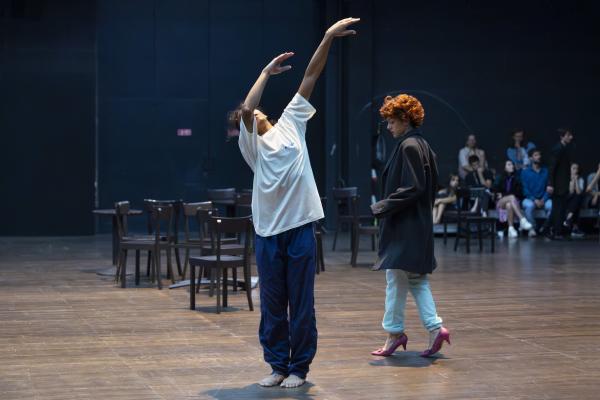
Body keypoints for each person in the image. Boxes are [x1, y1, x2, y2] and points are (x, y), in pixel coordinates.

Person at [233, 17, 360, 388]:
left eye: (259, 112)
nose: (254, 114)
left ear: (269, 116)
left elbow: (310, 76)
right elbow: (246, 108)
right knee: (273, 304)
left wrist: (328, 37)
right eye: (249, 116)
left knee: (301, 303)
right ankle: (277, 365)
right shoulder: (252, 146)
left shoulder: (292, 123)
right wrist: (265, 73)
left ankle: (299, 368)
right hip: (268, 233)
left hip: (301, 228)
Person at [370, 94, 450, 359]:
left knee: (395, 277)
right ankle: (434, 328)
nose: (389, 127)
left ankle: (394, 333)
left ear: (405, 120)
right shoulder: (421, 144)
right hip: (415, 224)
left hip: (407, 225)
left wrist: (383, 206)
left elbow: (414, 187)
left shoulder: (410, 146)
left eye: (392, 122)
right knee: (414, 278)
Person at [546, 129, 575, 240]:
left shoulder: (564, 148)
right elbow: (552, 167)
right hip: (558, 185)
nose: (571, 137)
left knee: (560, 208)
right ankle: (553, 231)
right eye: (568, 135)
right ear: (562, 136)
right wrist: (550, 184)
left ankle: (556, 231)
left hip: (562, 184)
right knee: (557, 209)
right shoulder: (557, 149)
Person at [493, 160, 533, 238]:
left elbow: (519, 193)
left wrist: (503, 194)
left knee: (509, 205)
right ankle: (522, 220)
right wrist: (505, 195)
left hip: (513, 202)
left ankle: (511, 229)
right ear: (504, 167)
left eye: (512, 164)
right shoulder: (499, 177)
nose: (512, 166)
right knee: (511, 197)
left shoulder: (516, 178)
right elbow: (495, 192)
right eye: (509, 165)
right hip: (500, 202)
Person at [521, 148, 552, 236]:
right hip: (530, 198)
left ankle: (545, 227)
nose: (539, 157)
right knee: (529, 206)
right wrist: (534, 200)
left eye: (539, 155)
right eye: (536, 155)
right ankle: (533, 228)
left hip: (544, 198)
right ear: (531, 158)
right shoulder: (525, 172)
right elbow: (525, 190)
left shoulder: (546, 171)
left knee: (552, 206)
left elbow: (549, 188)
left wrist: (543, 199)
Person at [563, 163, 585, 236]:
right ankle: (575, 229)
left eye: (577, 169)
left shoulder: (581, 179)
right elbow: (571, 191)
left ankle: (569, 217)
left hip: (575, 202)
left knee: (578, 197)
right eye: (573, 168)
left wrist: (576, 180)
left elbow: (579, 192)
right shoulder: (565, 178)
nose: (575, 170)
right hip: (567, 200)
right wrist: (572, 180)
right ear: (569, 169)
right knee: (576, 200)